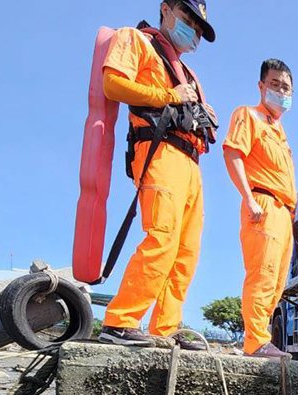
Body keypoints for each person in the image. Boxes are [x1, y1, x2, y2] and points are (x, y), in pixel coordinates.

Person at [98, 0, 216, 352]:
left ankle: (165, 327)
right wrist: (169, 95)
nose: (192, 31)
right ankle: (120, 321)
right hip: (159, 151)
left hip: (191, 163)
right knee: (161, 237)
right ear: (166, 9)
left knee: (186, 251)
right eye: (188, 20)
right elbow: (113, 84)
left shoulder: (190, 74)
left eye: (198, 28)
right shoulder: (136, 40)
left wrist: (202, 112)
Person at [222, 59, 298, 359]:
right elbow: (233, 153)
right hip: (263, 202)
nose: (281, 91)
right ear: (262, 86)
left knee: (277, 282)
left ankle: (260, 338)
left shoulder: (280, 132)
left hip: (283, 212)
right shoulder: (249, 115)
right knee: (262, 274)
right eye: (276, 84)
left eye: (287, 87)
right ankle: (255, 342)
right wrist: (249, 198)